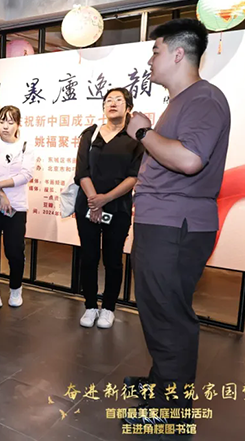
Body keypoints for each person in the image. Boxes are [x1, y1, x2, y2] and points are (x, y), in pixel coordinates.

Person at [123, 19, 231, 426]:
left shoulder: (205, 99)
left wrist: (143, 132)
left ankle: (170, 410)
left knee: (169, 314)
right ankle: (161, 384)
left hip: (176, 226)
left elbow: (189, 159)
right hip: (163, 222)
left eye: (155, 51)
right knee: (158, 309)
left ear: (178, 53)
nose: (150, 60)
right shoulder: (182, 101)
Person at [74, 88, 144, 330]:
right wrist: (94, 200)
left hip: (118, 207)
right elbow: (81, 171)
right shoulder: (90, 134)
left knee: (113, 260)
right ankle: (90, 305)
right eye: (108, 100)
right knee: (89, 257)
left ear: (128, 108)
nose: (112, 104)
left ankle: (109, 308)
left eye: (118, 100)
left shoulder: (135, 139)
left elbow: (134, 176)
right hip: (87, 205)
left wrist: (105, 199)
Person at [0, 106, 34, 308]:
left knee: (15, 250)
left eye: (11, 122)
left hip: (16, 206)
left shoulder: (25, 146)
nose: (5, 126)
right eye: (2, 121)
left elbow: (26, 174)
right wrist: (1, 195)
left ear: (18, 124)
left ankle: (16, 288)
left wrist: (0, 185)